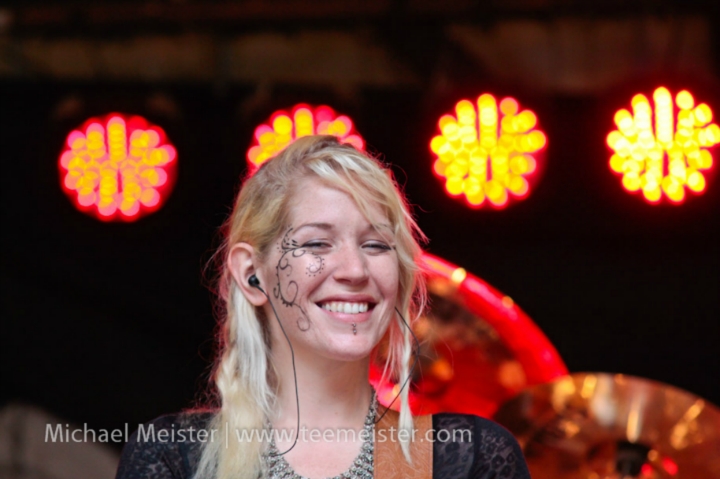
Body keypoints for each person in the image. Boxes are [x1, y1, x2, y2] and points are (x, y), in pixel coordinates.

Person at [116, 135, 531, 479]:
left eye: (376, 244)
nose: (354, 269)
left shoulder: (467, 459)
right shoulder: (174, 458)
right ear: (252, 274)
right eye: (316, 243)